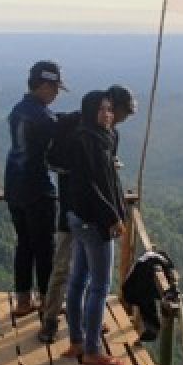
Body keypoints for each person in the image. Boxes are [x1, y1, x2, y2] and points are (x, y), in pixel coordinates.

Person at [38, 85, 136, 345]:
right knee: (67, 269)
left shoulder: (107, 133)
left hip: (81, 211)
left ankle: (81, 326)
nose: (117, 119)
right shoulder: (79, 131)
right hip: (79, 210)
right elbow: (85, 175)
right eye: (117, 112)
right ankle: (51, 322)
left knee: (81, 276)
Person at [62, 91, 128, 365]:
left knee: (78, 280)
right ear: (90, 112)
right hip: (94, 221)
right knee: (99, 286)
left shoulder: (92, 138)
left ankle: (77, 341)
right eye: (101, 110)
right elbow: (94, 186)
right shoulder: (90, 142)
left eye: (110, 109)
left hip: (79, 217)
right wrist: (112, 216)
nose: (108, 115)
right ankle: (92, 351)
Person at [4, 60, 65, 317]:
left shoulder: (18, 110)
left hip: (14, 187)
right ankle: (48, 301)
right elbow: (57, 155)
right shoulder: (43, 117)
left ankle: (22, 301)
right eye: (54, 88)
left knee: (24, 244)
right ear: (43, 85)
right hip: (37, 189)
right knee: (44, 247)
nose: (56, 93)